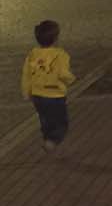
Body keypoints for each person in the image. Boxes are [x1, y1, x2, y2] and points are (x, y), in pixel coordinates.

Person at [20, 19, 74, 152]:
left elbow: (26, 75)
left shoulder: (32, 54)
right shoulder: (61, 55)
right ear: (56, 39)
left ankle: (47, 138)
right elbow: (63, 73)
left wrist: (26, 93)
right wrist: (71, 79)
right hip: (55, 94)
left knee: (45, 119)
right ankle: (52, 141)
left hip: (37, 94)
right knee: (61, 122)